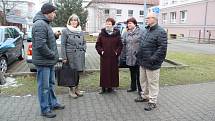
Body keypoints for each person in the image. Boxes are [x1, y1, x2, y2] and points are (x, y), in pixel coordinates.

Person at [32, 3, 65, 118]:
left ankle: (53, 103)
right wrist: (53, 55)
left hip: (48, 62)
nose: (55, 14)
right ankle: (45, 109)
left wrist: (54, 36)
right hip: (44, 62)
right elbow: (40, 45)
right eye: (53, 12)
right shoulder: (40, 24)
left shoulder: (45, 23)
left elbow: (45, 39)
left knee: (50, 84)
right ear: (47, 13)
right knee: (44, 87)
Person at [135, 12, 167, 111]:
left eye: (148, 18)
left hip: (153, 63)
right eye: (146, 18)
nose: (146, 19)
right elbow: (142, 43)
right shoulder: (146, 30)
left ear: (154, 19)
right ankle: (145, 96)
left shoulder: (161, 31)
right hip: (143, 61)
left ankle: (152, 101)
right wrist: (138, 54)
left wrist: (153, 59)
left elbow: (162, 48)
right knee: (143, 81)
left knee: (152, 83)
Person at [61, 14, 86, 98]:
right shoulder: (65, 31)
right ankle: (71, 90)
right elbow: (63, 44)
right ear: (69, 21)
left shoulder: (81, 31)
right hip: (70, 55)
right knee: (71, 73)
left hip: (80, 55)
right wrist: (64, 57)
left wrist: (83, 49)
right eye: (72, 20)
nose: (74, 22)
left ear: (78, 21)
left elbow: (84, 42)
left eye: (75, 20)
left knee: (78, 72)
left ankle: (77, 89)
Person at [95, 18, 123, 94]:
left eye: (109, 24)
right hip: (105, 57)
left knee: (113, 72)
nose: (108, 25)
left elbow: (120, 45)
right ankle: (103, 88)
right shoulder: (102, 34)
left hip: (114, 57)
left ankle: (111, 87)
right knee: (104, 72)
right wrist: (102, 51)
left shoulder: (117, 34)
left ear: (112, 25)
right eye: (107, 23)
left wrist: (117, 52)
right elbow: (98, 45)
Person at [122, 17, 142, 94]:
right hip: (129, 56)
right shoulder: (126, 33)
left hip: (138, 57)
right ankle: (133, 87)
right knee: (132, 73)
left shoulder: (141, 32)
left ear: (135, 24)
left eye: (130, 23)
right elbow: (123, 43)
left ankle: (140, 89)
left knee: (139, 74)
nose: (128, 25)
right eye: (128, 23)